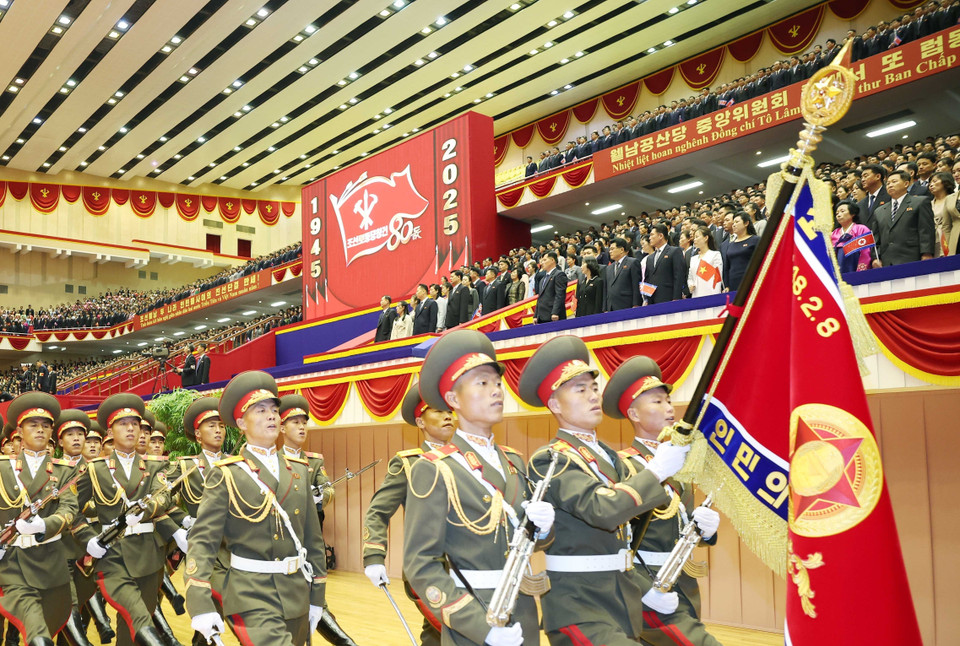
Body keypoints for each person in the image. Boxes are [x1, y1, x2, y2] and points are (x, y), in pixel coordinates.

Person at [519, 336, 690, 646]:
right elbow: (604, 510)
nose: (592, 396)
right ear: (555, 404)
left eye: (594, 388)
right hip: (578, 606)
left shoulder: (610, 458)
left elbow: (629, 536)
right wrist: (656, 471)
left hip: (620, 601)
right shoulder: (552, 458)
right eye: (580, 390)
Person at [404, 330, 555, 646]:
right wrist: (478, 626)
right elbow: (420, 563)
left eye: (497, 383)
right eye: (482, 383)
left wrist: (543, 530)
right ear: (453, 400)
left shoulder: (513, 461)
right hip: (473, 619)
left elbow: (526, 541)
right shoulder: (435, 468)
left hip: (523, 613)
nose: (496, 391)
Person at [185, 371, 327, 646]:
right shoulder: (227, 474)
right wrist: (199, 601)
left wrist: (317, 596)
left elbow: (313, 539)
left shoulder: (298, 470)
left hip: (297, 592)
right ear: (241, 422)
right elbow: (203, 541)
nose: (272, 415)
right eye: (260, 410)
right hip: (250, 594)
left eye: (274, 410)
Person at [604, 356, 723, 646]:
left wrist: (705, 532)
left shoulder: (680, 466)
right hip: (643, 584)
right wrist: (645, 589)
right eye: (656, 402)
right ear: (633, 413)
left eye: (668, 400)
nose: (669, 408)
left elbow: (680, 524)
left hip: (682, 582)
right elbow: (613, 538)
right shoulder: (623, 465)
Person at [75, 392, 174, 646]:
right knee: (138, 616)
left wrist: (148, 507)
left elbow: (166, 498)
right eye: (123, 424)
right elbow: (70, 509)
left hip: (149, 555)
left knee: (135, 623)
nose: (131, 429)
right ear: (110, 430)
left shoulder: (154, 466)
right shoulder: (95, 469)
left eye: (135, 424)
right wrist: (89, 539)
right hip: (113, 555)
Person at [362, 382, 455, 646]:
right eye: (438, 410)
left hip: (468, 567)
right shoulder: (408, 463)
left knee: (439, 636)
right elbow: (378, 510)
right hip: (427, 568)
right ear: (420, 421)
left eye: (450, 409)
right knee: (450, 630)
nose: (448, 415)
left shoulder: (467, 459)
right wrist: (373, 555)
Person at [278, 394, 357, 646]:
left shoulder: (314, 460)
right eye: (295, 422)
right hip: (281, 545)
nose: (302, 427)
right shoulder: (273, 461)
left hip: (308, 541)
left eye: (304, 422)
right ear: (281, 427)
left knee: (314, 602)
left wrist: (320, 495)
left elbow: (329, 489)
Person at [0, 393, 79, 646]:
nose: (40, 430)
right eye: (33, 425)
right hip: (13, 563)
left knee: (51, 621)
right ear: (19, 432)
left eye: (45, 426)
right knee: (38, 634)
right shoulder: (3, 467)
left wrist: (44, 524)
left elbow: (69, 509)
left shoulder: (64, 470)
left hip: (50, 561)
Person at [871, 169, 936, 267]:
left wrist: (927, 253)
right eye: (888, 183)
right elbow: (876, 238)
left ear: (906, 184)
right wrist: (876, 257)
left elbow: (926, 230)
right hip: (887, 261)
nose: (890, 185)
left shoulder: (920, 202)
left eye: (894, 182)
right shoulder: (879, 211)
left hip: (913, 257)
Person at [644, 224, 686, 304]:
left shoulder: (674, 251)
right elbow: (647, 279)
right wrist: (646, 299)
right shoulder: (650, 258)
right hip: (652, 300)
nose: (649, 238)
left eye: (652, 235)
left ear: (660, 236)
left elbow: (679, 275)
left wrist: (676, 297)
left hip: (669, 297)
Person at [831, 203, 874, 273]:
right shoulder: (834, 233)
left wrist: (860, 272)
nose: (838, 215)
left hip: (856, 268)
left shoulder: (862, 229)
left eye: (842, 211)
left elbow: (866, 252)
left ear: (852, 214)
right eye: (837, 213)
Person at [721, 214, 758, 292]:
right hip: (733, 283)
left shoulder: (755, 240)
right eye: (733, 223)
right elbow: (726, 268)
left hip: (750, 281)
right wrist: (727, 285)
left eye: (737, 222)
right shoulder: (731, 244)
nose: (734, 225)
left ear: (746, 223)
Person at [603, 238, 641, 311]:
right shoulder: (609, 268)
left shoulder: (632, 262)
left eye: (612, 249)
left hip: (626, 304)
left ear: (621, 250)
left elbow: (636, 285)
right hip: (611, 307)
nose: (610, 252)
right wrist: (605, 308)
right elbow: (606, 289)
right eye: (609, 249)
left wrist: (636, 304)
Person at [929, 171, 959, 256]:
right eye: (930, 182)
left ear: (946, 182)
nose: (931, 185)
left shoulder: (954, 202)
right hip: (931, 241)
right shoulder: (927, 204)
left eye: (935, 181)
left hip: (948, 239)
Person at [688, 226, 724, 296]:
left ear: (706, 238)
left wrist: (715, 294)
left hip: (710, 294)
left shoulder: (715, 255)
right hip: (696, 294)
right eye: (694, 237)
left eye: (697, 237)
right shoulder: (693, 259)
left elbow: (717, 278)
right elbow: (690, 277)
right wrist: (690, 285)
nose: (694, 239)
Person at [535, 252, 567, 323]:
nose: (542, 263)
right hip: (541, 316)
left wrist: (555, 312)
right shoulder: (543, 279)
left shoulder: (559, 275)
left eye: (544, 260)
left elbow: (560, 295)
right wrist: (536, 315)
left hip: (553, 315)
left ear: (552, 260)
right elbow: (540, 297)